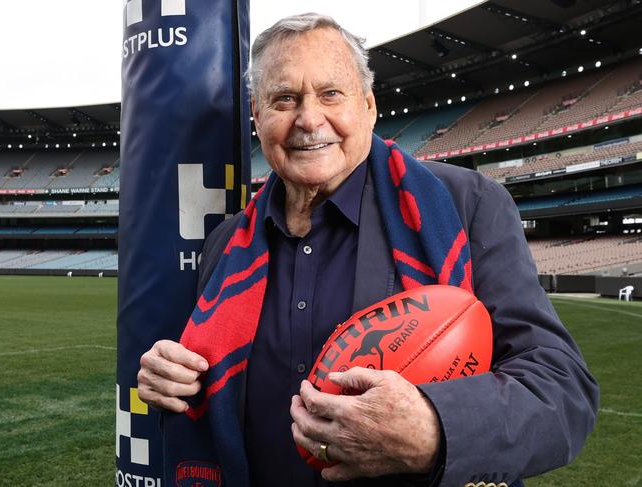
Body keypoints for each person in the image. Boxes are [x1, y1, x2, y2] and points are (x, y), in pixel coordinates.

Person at [137, 13, 598, 487]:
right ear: (258, 116)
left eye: (330, 93)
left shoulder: (466, 206)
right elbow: (210, 383)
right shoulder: (225, 245)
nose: (309, 119)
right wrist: (173, 382)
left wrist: (435, 429)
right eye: (285, 99)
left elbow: (562, 392)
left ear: (369, 104)